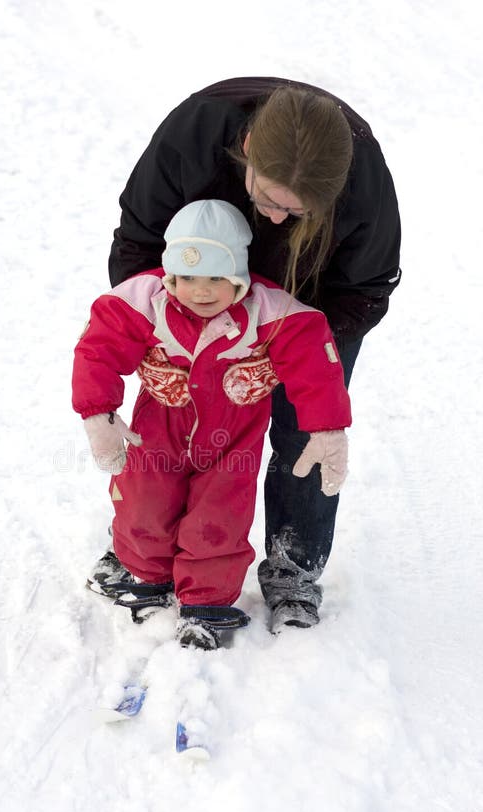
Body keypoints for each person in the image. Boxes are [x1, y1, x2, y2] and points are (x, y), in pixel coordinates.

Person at [88, 76, 401, 631]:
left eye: (298, 212)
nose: (278, 220)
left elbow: (365, 291)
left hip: (303, 311)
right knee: (171, 425)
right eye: (268, 201)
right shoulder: (194, 134)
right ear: (249, 150)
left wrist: (292, 352)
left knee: (305, 434)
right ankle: (147, 556)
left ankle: (292, 567)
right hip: (197, 298)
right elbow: (136, 241)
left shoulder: (363, 181)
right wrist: (159, 328)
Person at [73, 199, 351, 649]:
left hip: (232, 436)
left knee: (220, 512)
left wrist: (328, 427)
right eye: (187, 279)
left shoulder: (269, 311)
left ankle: (207, 599)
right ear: (170, 277)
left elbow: (313, 356)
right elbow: (97, 347)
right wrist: (97, 411)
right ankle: (145, 572)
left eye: (216, 279)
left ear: (239, 278)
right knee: (144, 498)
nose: (200, 292)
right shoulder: (146, 302)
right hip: (159, 424)